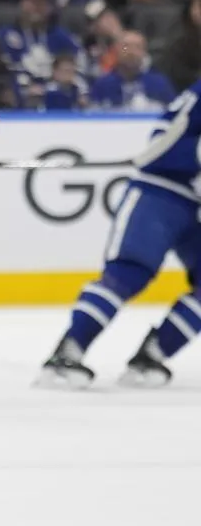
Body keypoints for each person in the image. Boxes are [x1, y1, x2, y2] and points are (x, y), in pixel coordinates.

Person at [41, 82, 201, 389]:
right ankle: (67, 352)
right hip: (163, 190)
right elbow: (163, 140)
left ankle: (152, 355)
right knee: (129, 271)